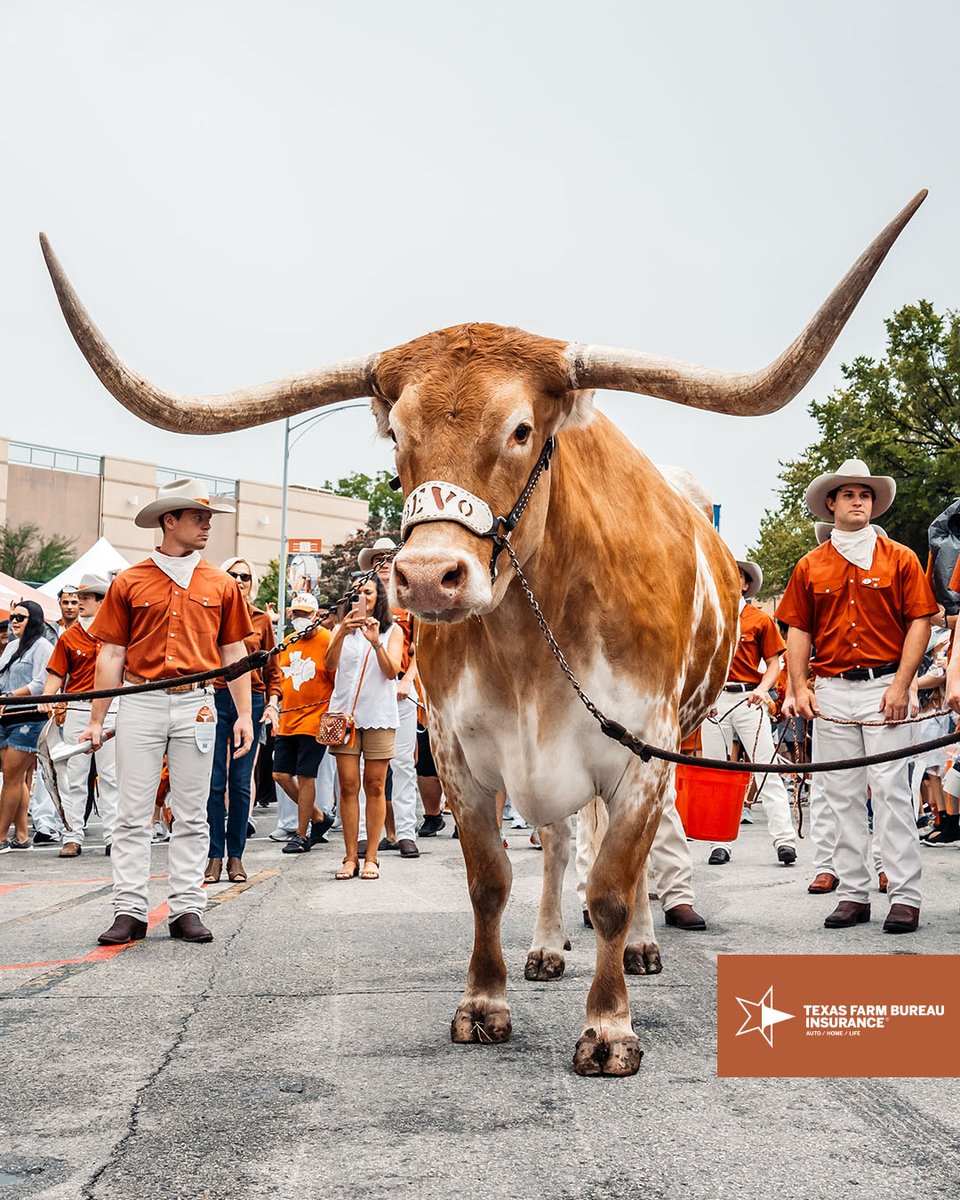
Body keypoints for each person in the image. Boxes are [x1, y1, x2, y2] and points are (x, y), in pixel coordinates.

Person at [82, 478, 254, 946]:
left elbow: (233, 651)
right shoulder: (130, 580)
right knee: (132, 813)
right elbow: (111, 655)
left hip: (199, 704)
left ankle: (186, 909)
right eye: (198, 517)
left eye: (209, 518)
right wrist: (98, 718)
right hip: (139, 700)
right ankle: (130, 910)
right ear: (169, 521)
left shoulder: (220, 582)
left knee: (194, 813)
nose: (207, 525)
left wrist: (243, 714)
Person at [778, 459, 937, 934]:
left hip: (883, 688)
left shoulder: (900, 558)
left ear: (873, 504)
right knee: (841, 795)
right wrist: (797, 686)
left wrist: (902, 685)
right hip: (831, 692)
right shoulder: (810, 565)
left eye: (864, 496)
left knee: (890, 793)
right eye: (848, 495)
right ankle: (853, 894)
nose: (857, 502)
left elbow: (920, 623)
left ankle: (905, 896)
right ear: (831, 504)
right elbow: (798, 629)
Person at [700, 559, 797, 867]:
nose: (729, 579)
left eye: (736, 576)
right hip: (715, 701)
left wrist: (763, 691)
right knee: (716, 774)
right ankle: (720, 842)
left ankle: (784, 840)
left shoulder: (760, 619)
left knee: (765, 768)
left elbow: (774, 664)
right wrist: (703, 696)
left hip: (749, 699)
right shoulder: (707, 616)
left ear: (745, 584)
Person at [204, 557, 283, 884]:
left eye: (245, 576)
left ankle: (236, 856)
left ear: (252, 583)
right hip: (211, 697)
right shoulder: (209, 615)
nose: (239, 580)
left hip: (249, 700)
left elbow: (273, 671)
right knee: (212, 781)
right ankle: (213, 856)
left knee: (239, 781)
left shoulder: (262, 621)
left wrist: (273, 704)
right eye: (232, 574)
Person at [324, 575, 403, 881]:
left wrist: (375, 642)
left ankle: (372, 856)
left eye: (368, 592)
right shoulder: (340, 629)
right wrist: (341, 632)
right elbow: (329, 666)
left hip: (380, 713)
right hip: (344, 715)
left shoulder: (392, 630)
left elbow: (392, 671)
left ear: (378, 597)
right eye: (357, 592)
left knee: (375, 785)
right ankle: (349, 857)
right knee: (346, 785)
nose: (362, 597)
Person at [41, 573, 118, 857]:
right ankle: (72, 836)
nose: (80, 602)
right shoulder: (69, 636)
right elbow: (56, 674)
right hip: (77, 707)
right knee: (74, 775)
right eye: (79, 597)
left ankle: (113, 836)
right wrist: (49, 699)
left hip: (111, 707)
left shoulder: (117, 633)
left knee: (110, 775)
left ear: (101, 602)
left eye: (86, 597)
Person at [359, 537, 421, 859]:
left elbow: (422, 648)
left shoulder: (410, 599)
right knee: (364, 767)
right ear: (371, 565)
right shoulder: (360, 600)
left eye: (390, 557)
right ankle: (364, 834)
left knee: (402, 764)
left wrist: (409, 680)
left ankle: (406, 833)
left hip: (399, 688)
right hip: (367, 692)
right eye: (379, 558)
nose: (384, 562)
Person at [271, 592, 336, 855]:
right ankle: (319, 817)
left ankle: (301, 834)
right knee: (280, 775)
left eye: (306, 615)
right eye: (296, 614)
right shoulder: (288, 642)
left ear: (316, 615)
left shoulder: (327, 641)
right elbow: (279, 679)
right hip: (288, 717)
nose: (301, 620)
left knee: (306, 775)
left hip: (315, 717)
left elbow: (336, 679)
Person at [0, 601, 53, 852]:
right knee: (14, 777)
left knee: (11, 778)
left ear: (34, 620)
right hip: (6, 716)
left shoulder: (43, 646)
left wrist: (10, 697)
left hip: (29, 716)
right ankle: (21, 836)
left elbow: (40, 683)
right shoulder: (11, 646)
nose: (14, 621)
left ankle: (0, 838)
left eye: (20, 617)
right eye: (12, 617)